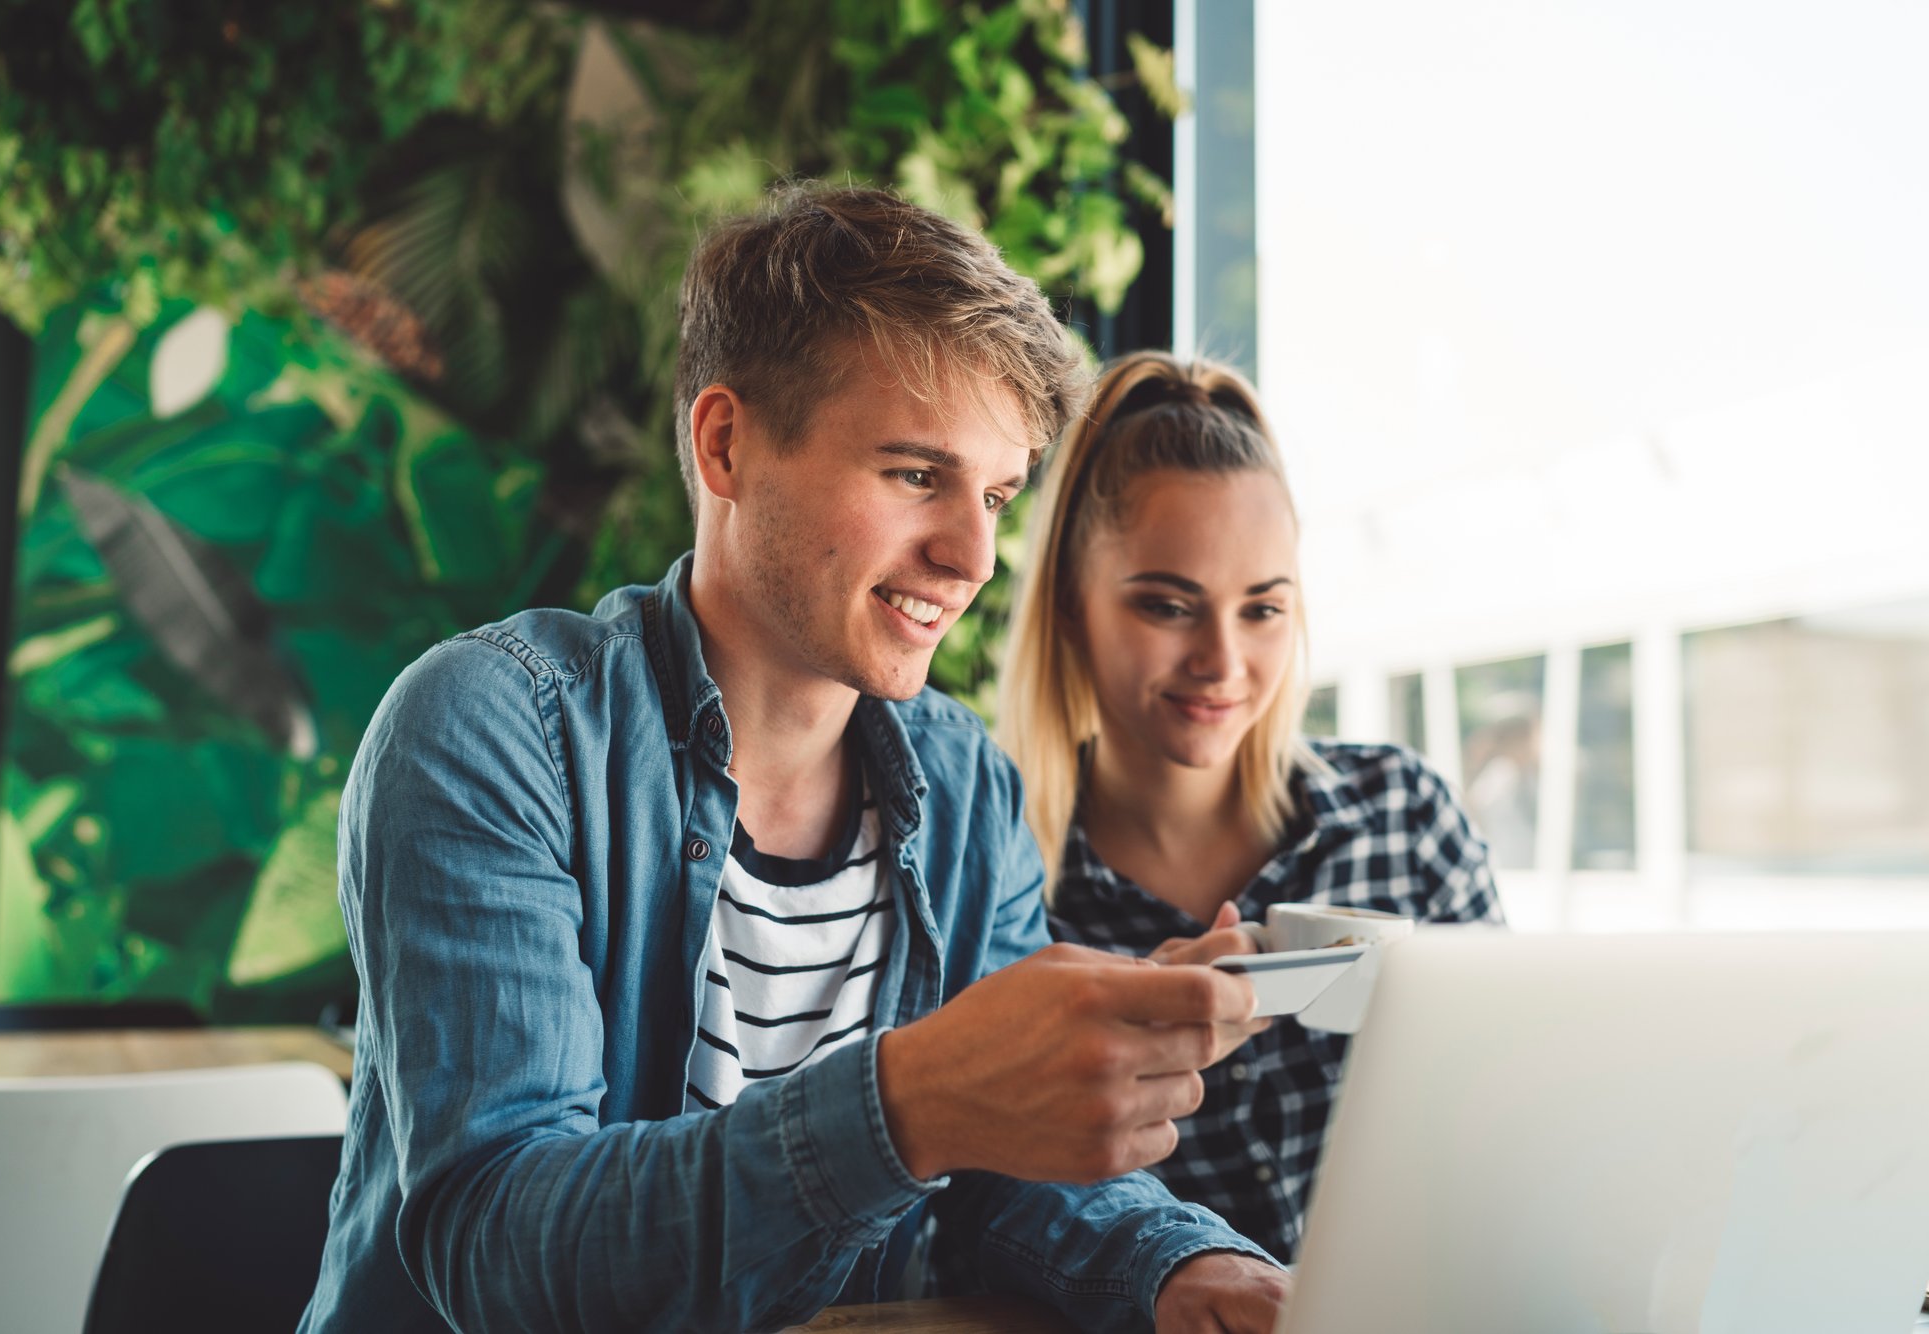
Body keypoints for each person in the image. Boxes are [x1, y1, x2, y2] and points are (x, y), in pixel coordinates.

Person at [300, 190, 1295, 1334]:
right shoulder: (494, 730)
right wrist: (911, 1100)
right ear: (726, 444)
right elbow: (499, 1244)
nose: (971, 553)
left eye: (995, 493)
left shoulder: (960, 780)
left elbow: (1010, 1185)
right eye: (915, 474)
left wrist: (1183, 1269)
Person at [997, 351, 1505, 1263]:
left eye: (1263, 610)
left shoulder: (1405, 821)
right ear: (1071, 605)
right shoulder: (1004, 883)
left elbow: (1516, 1108)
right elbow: (985, 1213)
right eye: (1167, 606)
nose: (1223, 664)